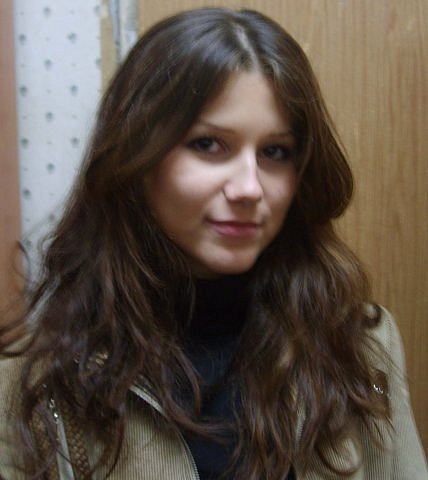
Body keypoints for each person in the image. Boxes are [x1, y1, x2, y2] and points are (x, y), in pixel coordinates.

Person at [0, 7, 427, 480]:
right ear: (136, 158)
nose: (249, 187)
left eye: (275, 152)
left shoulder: (359, 344)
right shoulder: (35, 383)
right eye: (208, 144)